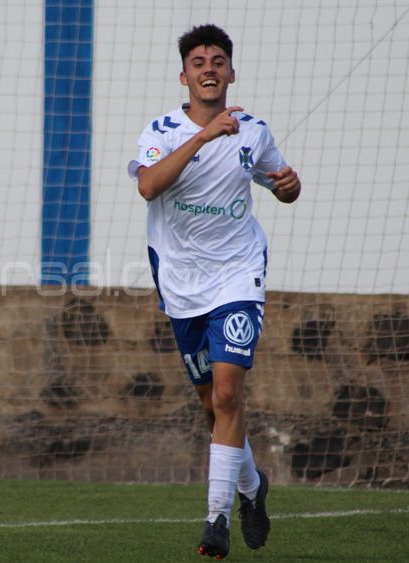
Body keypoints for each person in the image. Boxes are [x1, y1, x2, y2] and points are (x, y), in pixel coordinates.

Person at [126, 24, 301, 559]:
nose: (208, 68)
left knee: (228, 395)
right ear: (185, 76)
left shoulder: (254, 132)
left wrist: (289, 187)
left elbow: (279, 182)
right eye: (198, 62)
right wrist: (204, 136)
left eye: (218, 60)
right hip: (180, 282)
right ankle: (252, 487)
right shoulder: (161, 130)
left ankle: (215, 521)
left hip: (237, 276)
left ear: (231, 72)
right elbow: (149, 185)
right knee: (211, 406)